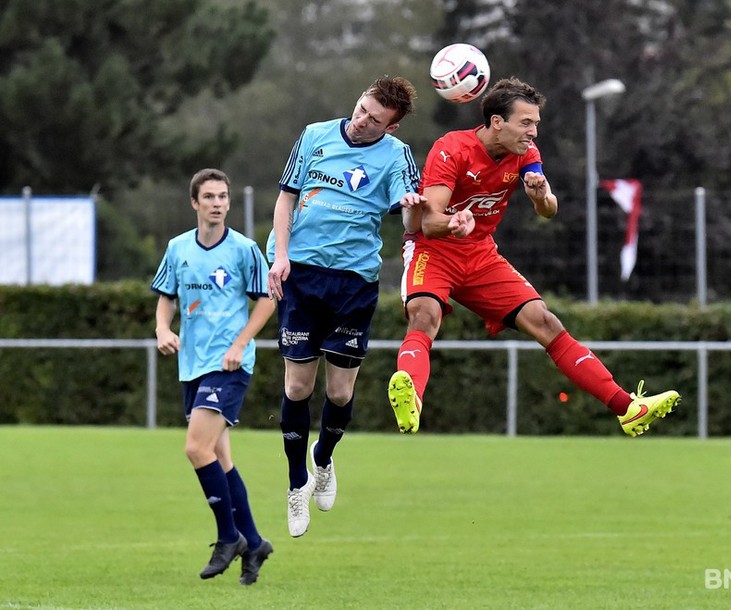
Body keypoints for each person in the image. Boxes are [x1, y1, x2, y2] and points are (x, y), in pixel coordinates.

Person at [387, 77, 680, 436]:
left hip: (480, 254)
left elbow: (549, 209)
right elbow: (429, 223)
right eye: (526, 123)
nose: (533, 132)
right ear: (498, 122)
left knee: (546, 322)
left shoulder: (525, 154)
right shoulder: (451, 149)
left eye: (536, 124)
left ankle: (627, 408)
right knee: (424, 314)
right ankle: (411, 396)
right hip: (435, 250)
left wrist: (540, 195)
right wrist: (454, 223)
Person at [267, 76, 423, 538]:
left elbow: (410, 217)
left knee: (338, 394)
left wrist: (414, 206)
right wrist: (279, 255)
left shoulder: (396, 156)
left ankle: (324, 458)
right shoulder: (315, 135)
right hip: (301, 274)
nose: (361, 121)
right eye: (361, 108)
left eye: (374, 119)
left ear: (390, 128)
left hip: (355, 280)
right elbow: (285, 197)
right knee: (298, 387)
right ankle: (297, 485)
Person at [152, 168, 276, 584]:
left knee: (195, 448)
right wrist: (162, 329)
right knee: (220, 458)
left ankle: (230, 538)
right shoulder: (177, 248)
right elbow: (166, 297)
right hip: (192, 364)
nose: (218, 203)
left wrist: (240, 344)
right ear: (195, 203)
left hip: (228, 366)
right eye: (209, 196)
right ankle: (255, 542)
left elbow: (265, 302)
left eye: (223, 196)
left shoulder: (244, 249)